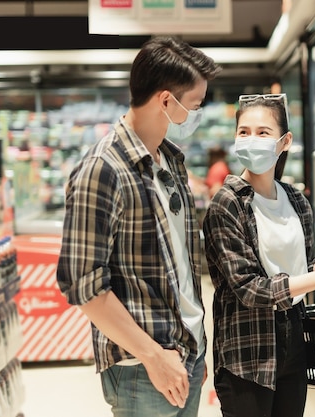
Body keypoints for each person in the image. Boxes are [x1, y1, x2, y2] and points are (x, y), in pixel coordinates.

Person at [56, 36, 221, 417]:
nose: (195, 116)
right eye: (194, 106)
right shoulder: (103, 170)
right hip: (141, 370)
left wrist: (192, 348)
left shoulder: (171, 161)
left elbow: (179, 264)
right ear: (166, 101)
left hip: (186, 355)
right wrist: (154, 357)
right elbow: (83, 285)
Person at [202, 93, 315, 417]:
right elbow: (248, 287)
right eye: (244, 132)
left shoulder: (296, 200)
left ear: (284, 141)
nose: (251, 140)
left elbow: (302, 265)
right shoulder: (228, 203)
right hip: (248, 351)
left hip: (294, 342)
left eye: (263, 132)